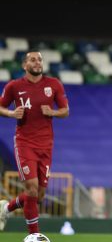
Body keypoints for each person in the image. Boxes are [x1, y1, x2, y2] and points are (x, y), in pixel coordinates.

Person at [0, 50, 69, 233]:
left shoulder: (53, 84)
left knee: (38, 195)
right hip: (24, 143)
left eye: (39, 59)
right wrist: (11, 113)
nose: (37, 62)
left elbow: (65, 110)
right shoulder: (14, 86)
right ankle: (34, 235)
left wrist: (52, 112)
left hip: (46, 145)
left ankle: (5, 209)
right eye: (33, 60)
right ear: (25, 65)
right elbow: (1, 106)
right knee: (31, 188)